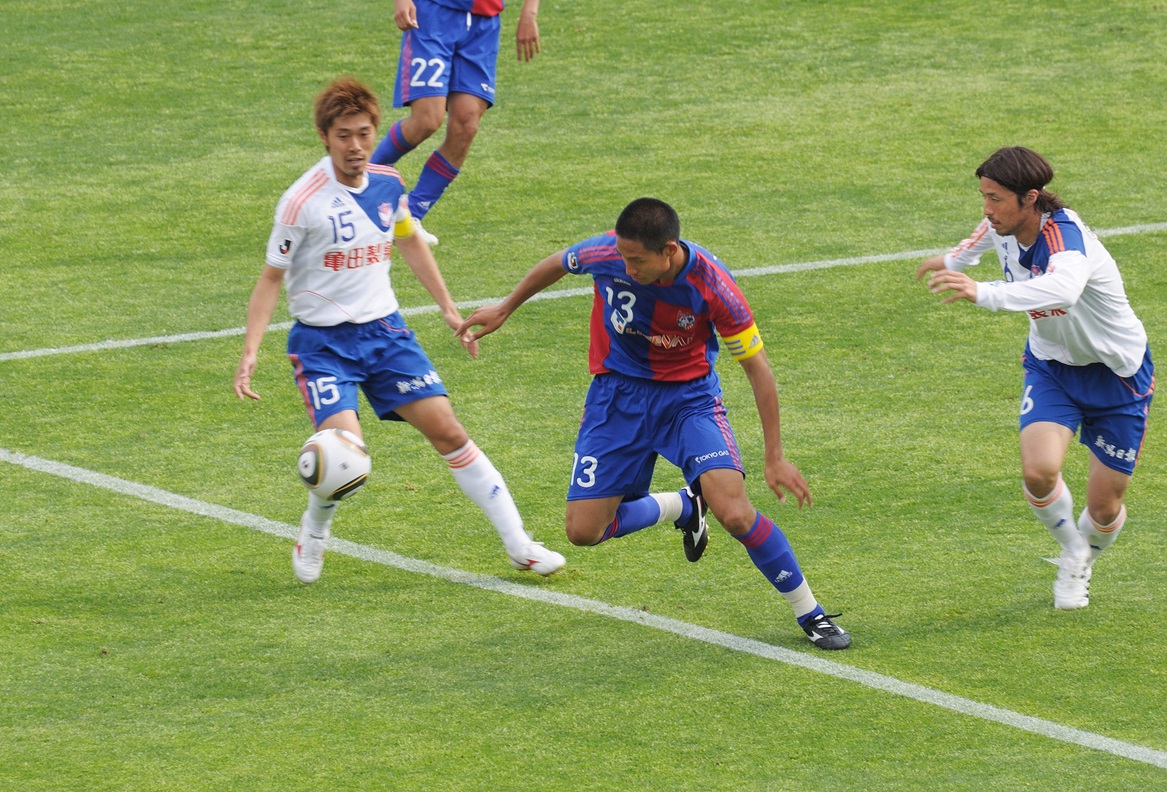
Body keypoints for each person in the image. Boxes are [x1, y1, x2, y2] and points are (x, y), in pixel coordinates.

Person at [457, 198, 851, 649]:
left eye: (636, 260)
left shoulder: (713, 287)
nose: (626, 266)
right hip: (615, 399)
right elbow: (557, 262)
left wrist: (775, 455)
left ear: (668, 250)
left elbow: (758, 370)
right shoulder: (608, 252)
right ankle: (684, 506)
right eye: (623, 256)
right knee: (583, 532)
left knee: (736, 514)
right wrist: (507, 307)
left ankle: (812, 614)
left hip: (688, 403)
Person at [234, 76, 564, 584]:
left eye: (365, 133)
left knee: (451, 433)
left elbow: (409, 240)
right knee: (345, 455)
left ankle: (519, 544)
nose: (356, 146)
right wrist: (251, 349)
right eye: (344, 135)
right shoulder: (301, 202)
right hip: (323, 346)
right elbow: (270, 279)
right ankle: (314, 530)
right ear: (325, 136)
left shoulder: (388, 183)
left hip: (386, 335)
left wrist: (448, 309)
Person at [918, 146, 1154, 610]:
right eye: (983, 196)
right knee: (1039, 471)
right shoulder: (1003, 223)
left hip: (1118, 376)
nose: (987, 209)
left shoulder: (1066, 238)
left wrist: (983, 292)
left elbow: (1063, 291)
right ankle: (1072, 550)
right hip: (1052, 367)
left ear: (1030, 198)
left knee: (1105, 508)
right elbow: (985, 236)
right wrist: (953, 262)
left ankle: (1086, 556)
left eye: (996, 199)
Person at [370, 0, 544, 246]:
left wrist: (529, 13)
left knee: (466, 125)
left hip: (483, 23)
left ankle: (411, 214)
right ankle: (362, 179)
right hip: (433, 14)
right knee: (427, 120)